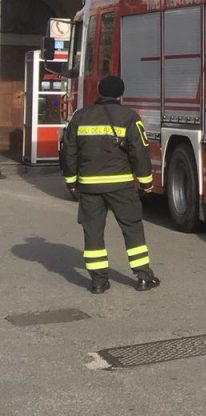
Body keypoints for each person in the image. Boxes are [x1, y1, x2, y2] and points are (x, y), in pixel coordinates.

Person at [59, 75, 159, 294]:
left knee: (92, 231)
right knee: (132, 228)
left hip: (90, 186)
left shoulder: (80, 116)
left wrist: (71, 181)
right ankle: (143, 277)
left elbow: (69, 151)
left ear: (98, 91)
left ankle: (98, 282)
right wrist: (146, 182)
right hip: (121, 185)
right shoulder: (129, 117)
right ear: (120, 94)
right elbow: (139, 151)